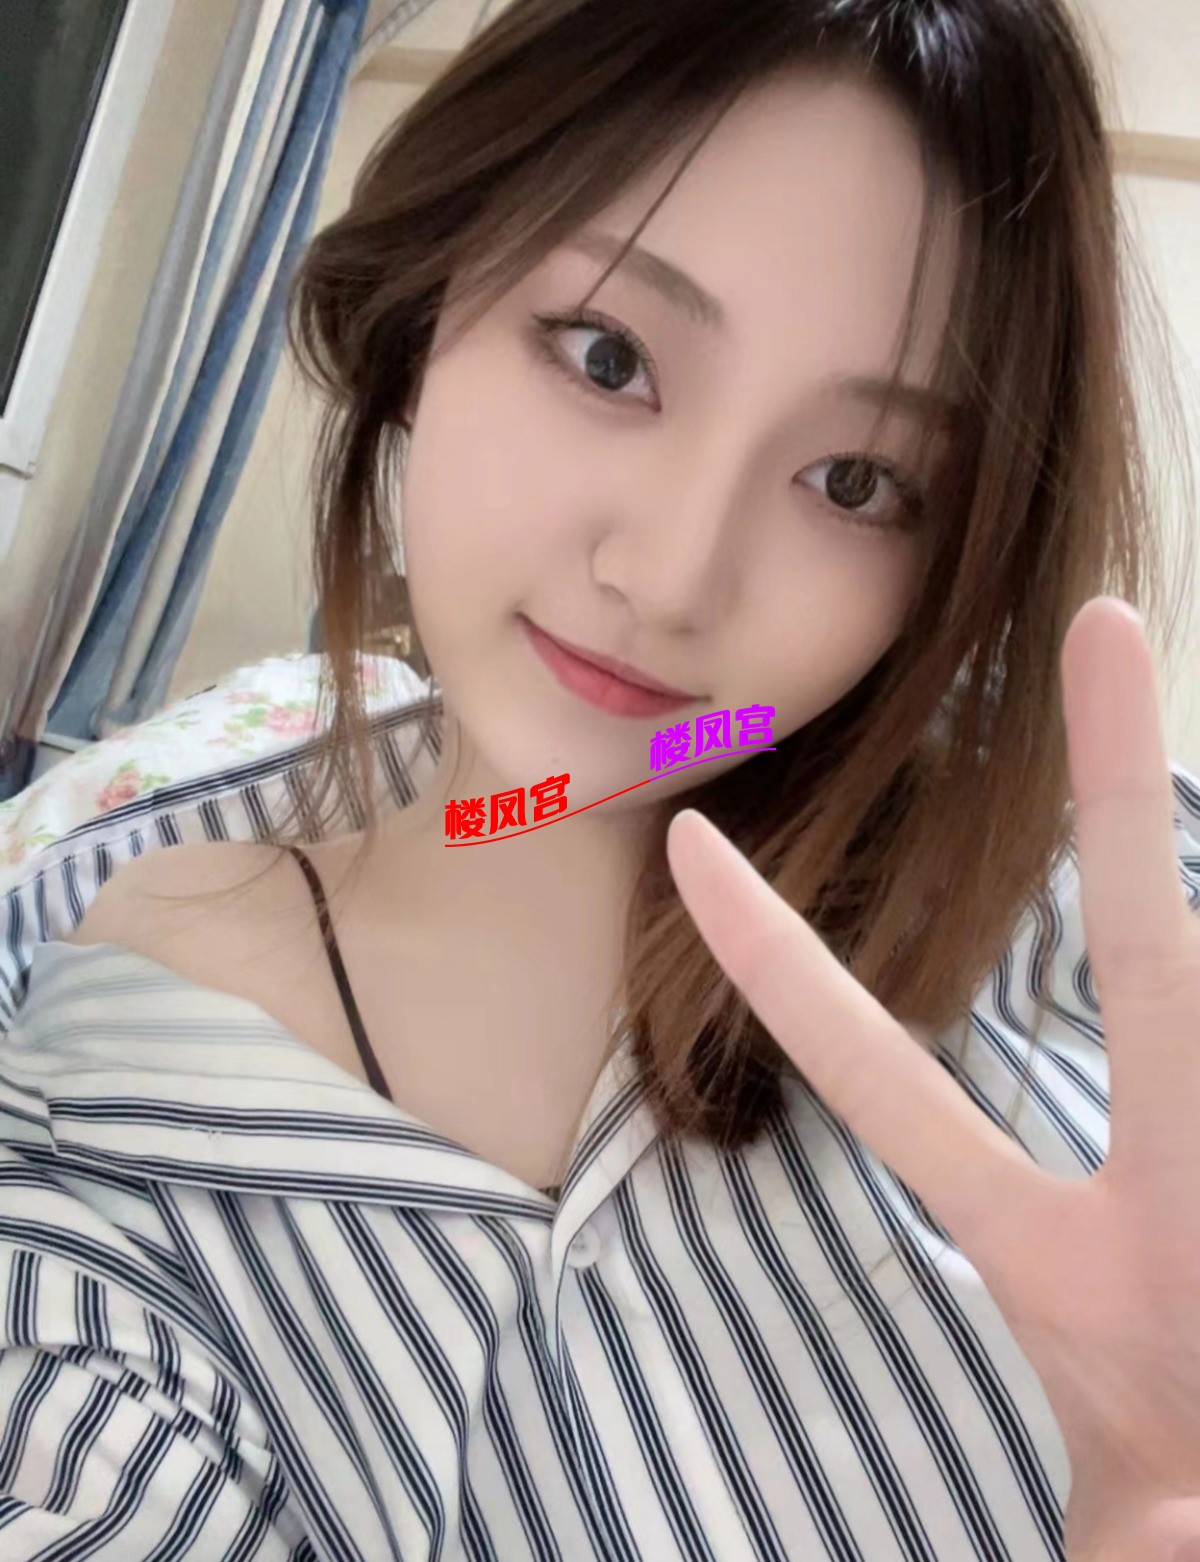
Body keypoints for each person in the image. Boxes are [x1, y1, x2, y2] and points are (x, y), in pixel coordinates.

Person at [1, 0, 1198, 1556]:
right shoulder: (105, 1092)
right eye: (609, 355)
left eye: (855, 481)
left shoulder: (1104, 906)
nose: (672, 577)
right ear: (430, 299)